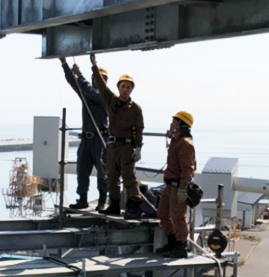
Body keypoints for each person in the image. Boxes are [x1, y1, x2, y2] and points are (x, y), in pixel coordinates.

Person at [89, 54, 144, 218]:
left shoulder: (136, 109)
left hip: (127, 147)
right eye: (122, 86)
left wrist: (138, 148)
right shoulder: (111, 100)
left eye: (128, 86)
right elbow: (100, 84)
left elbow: (139, 129)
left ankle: (134, 207)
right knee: (111, 177)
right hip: (112, 146)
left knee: (129, 178)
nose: (125, 89)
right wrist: (94, 66)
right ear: (118, 87)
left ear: (131, 89)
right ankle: (113, 205)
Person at [59, 57, 109, 210]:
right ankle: (82, 199)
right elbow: (72, 82)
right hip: (87, 139)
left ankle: (102, 200)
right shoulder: (86, 94)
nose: (96, 81)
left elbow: (90, 91)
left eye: (100, 79)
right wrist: (64, 64)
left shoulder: (105, 96)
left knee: (102, 171)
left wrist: (80, 75)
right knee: (82, 169)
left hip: (101, 138)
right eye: (95, 78)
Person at [156, 111, 196, 258]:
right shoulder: (177, 141)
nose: (171, 124)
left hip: (177, 185)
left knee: (178, 216)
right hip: (170, 185)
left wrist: (183, 189)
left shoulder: (185, 144)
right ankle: (172, 241)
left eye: (174, 121)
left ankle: (181, 246)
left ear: (180, 124)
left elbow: (188, 168)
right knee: (162, 213)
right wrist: (172, 136)